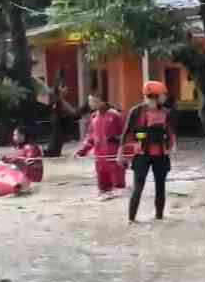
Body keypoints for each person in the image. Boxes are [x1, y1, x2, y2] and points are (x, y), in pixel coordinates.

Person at [119, 80, 177, 223]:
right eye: (163, 95)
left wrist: (172, 147)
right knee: (138, 187)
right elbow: (126, 133)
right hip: (141, 155)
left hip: (161, 155)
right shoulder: (136, 111)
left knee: (160, 187)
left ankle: (159, 218)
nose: (165, 97)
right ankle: (131, 220)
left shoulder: (167, 113)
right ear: (155, 95)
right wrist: (120, 154)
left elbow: (171, 133)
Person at [75, 94, 126, 198]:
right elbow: (90, 137)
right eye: (89, 101)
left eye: (93, 101)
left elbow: (125, 135)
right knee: (102, 188)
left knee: (118, 188)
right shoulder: (94, 116)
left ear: (102, 102)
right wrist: (82, 151)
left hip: (113, 156)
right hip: (99, 157)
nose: (91, 104)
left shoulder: (115, 115)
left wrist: (125, 153)